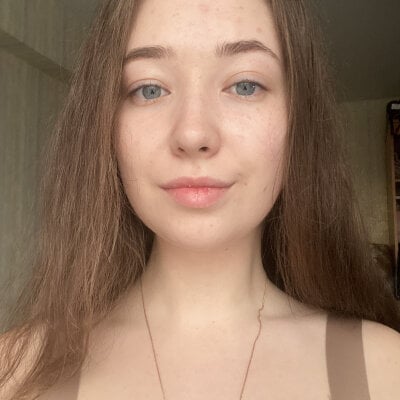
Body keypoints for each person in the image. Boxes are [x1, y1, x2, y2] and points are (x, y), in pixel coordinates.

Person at [1, 0, 400, 399]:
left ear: (299, 119)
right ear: (105, 123)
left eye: (245, 85)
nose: (193, 134)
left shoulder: (386, 368)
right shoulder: (13, 370)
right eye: (149, 89)